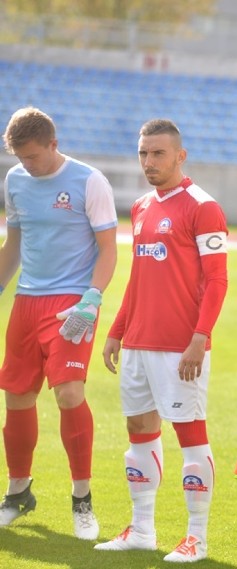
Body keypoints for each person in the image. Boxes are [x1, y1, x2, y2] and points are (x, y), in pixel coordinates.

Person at [94, 119, 228, 563]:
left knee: (191, 436)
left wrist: (199, 338)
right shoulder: (141, 206)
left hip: (180, 347)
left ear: (179, 156)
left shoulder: (203, 207)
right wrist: (117, 330)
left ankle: (196, 538)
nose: (149, 162)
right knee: (139, 433)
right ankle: (142, 530)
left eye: (158, 154)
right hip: (137, 344)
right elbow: (138, 277)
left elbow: (217, 281)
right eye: (143, 154)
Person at [0, 106, 117, 540]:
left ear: (53, 143)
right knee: (16, 396)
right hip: (27, 301)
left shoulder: (89, 181)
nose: (26, 165)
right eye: (19, 157)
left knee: (69, 394)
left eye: (32, 156)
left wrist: (92, 297)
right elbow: (14, 243)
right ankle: (18, 493)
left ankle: (82, 498)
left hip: (72, 302)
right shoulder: (15, 181)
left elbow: (109, 248)